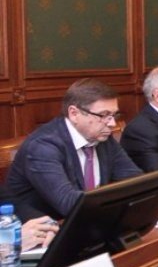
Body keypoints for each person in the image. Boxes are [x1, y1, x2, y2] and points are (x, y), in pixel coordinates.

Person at [5, 79, 142, 220]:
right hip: (43, 226)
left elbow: (136, 182)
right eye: (103, 115)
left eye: (114, 115)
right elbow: (70, 204)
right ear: (74, 113)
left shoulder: (103, 138)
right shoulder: (43, 146)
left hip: (89, 221)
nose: (112, 123)